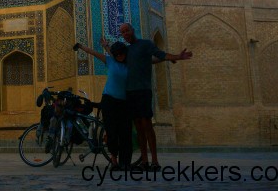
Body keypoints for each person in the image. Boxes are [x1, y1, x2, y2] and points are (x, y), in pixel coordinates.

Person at [119, 22, 193, 171]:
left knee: (147, 125)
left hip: (143, 91)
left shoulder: (145, 44)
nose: (125, 34)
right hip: (130, 92)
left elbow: (160, 54)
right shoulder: (127, 51)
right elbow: (146, 61)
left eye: (127, 31)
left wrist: (177, 56)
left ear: (133, 30)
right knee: (139, 127)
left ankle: (155, 161)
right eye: (123, 33)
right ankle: (144, 161)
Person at [73, 38, 131, 170]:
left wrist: (168, 58)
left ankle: (125, 162)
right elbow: (93, 52)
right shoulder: (110, 61)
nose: (120, 56)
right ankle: (114, 160)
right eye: (117, 54)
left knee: (124, 133)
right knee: (111, 132)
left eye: (122, 54)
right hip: (109, 101)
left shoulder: (130, 64)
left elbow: (147, 61)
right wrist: (81, 46)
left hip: (124, 102)